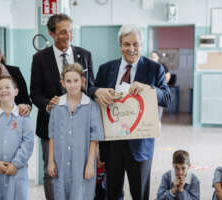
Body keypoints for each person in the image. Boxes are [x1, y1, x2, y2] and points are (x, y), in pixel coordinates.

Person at [88, 24, 171, 200]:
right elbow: (89, 88)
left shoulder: (154, 69)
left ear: (142, 45)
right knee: (113, 193)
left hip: (140, 144)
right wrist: (97, 92)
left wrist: (149, 89)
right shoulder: (106, 68)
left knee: (139, 194)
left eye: (136, 44)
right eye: (126, 44)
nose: (131, 49)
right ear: (120, 45)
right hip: (112, 143)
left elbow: (167, 98)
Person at [30, 13, 94, 200]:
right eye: (63, 32)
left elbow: (91, 87)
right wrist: (47, 104)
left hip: (80, 125)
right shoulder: (40, 59)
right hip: (51, 126)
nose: (68, 36)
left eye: (70, 31)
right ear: (51, 33)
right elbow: (34, 93)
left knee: (79, 168)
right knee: (52, 171)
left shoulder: (85, 55)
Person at [47, 63, 104, 200]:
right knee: (61, 192)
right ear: (63, 83)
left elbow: (95, 137)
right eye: (68, 81)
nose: (72, 85)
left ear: (82, 81)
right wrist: (50, 161)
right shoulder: (57, 106)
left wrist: (90, 163)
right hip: (61, 160)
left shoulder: (91, 106)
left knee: (81, 194)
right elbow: (52, 135)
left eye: (76, 81)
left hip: (82, 162)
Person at [150, 50, 171, 121]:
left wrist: (162, 84)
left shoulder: (162, 66)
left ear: (158, 58)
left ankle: (158, 124)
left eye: (154, 57)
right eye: (151, 57)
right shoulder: (148, 66)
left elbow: (168, 76)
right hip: (150, 91)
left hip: (159, 91)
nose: (152, 58)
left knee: (158, 110)